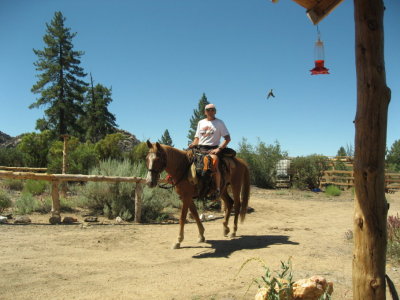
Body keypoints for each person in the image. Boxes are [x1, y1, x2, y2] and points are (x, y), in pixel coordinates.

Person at [189, 103, 231, 198]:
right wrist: (193, 144)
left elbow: (227, 138)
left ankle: (217, 189)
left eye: (212, 109)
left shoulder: (219, 123)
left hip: (213, 149)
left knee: (214, 161)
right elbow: (197, 138)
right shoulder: (201, 122)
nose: (210, 111)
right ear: (205, 112)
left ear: (215, 111)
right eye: (208, 110)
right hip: (200, 148)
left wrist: (219, 149)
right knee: (186, 159)